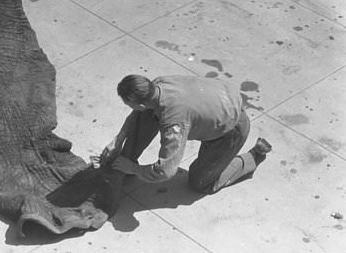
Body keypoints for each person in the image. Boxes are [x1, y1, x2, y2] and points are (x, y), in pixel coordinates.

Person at [97, 74, 271, 196]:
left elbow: (166, 172)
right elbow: (138, 115)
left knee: (200, 184)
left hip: (229, 130)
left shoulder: (174, 123)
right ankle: (123, 163)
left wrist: (134, 170)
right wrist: (118, 140)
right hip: (217, 103)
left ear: (141, 104)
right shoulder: (158, 84)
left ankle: (253, 156)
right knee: (145, 117)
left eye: (130, 105)